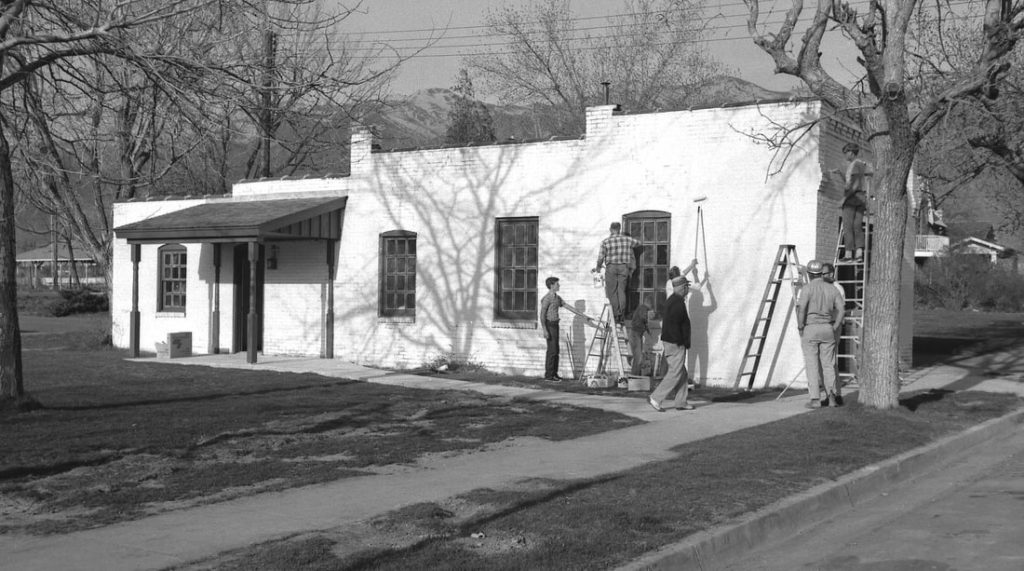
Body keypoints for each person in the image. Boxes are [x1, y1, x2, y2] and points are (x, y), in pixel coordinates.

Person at [796, 260, 845, 408]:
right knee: (828, 365)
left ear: (810, 274)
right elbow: (842, 310)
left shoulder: (807, 289)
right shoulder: (833, 289)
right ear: (820, 273)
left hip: (811, 327)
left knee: (812, 364)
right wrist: (835, 326)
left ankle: (815, 399)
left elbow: (802, 309)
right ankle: (831, 398)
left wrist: (800, 327)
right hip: (828, 328)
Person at [648, 275, 694, 412]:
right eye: (687, 287)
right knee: (675, 373)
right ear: (683, 288)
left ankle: (681, 402)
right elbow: (675, 325)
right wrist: (681, 341)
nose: (687, 290)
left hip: (671, 342)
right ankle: (656, 397)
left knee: (682, 374)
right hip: (675, 344)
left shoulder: (672, 300)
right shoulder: (677, 303)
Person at [594, 222, 640, 323]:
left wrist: (598, 267)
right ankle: (622, 315)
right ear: (619, 229)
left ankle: (616, 314)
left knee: (612, 292)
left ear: (610, 229)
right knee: (621, 291)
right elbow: (638, 243)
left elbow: (601, 257)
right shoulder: (627, 239)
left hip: (611, 267)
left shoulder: (605, 242)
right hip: (624, 267)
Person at [831, 142, 870, 261]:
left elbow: (855, 184)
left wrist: (844, 199)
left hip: (852, 199)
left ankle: (848, 254)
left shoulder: (855, 164)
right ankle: (859, 254)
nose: (845, 156)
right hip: (861, 199)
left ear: (851, 153)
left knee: (848, 226)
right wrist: (841, 175)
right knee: (857, 226)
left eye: (846, 153)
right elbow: (853, 182)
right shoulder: (860, 165)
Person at [539, 276, 565, 382]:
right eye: (557, 284)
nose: (559, 285)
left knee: (556, 350)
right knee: (552, 350)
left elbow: (567, 306)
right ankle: (549, 376)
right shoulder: (547, 298)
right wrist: (545, 330)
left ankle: (554, 373)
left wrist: (583, 316)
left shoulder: (557, 298)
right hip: (549, 325)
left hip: (555, 325)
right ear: (551, 285)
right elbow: (542, 315)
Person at [628, 295, 652, 376]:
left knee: (638, 356)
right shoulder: (644, 308)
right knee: (638, 357)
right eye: (651, 305)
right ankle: (634, 377)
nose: (651, 307)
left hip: (636, 334)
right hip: (635, 334)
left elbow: (643, 320)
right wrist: (650, 316)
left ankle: (635, 376)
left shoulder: (641, 308)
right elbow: (643, 317)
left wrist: (647, 329)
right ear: (649, 303)